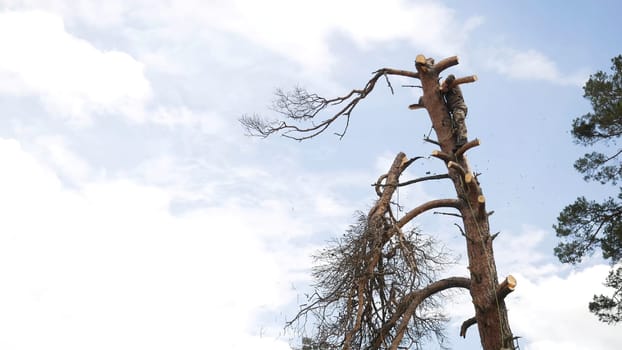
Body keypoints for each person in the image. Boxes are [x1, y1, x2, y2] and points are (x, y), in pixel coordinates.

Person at [441, 74, 468, 147]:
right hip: (454, 109)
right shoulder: (446, 93)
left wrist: (445, 84)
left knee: (459, 120)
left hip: (459, 107)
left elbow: (451, 76)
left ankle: (463, 138)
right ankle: (457, 143)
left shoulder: (453, 84)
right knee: (454, 127)